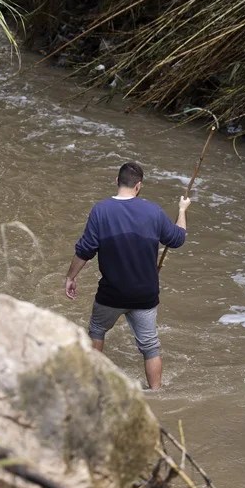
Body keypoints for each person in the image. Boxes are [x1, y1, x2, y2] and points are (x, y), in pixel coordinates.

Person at [65, 162, 191, 390]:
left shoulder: (101, 210)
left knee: (97, 331)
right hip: (145, 294)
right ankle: (156, 393)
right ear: (139, 186)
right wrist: (182, 210)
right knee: (150, 347)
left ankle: (93, 385)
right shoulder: (153, 211)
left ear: (117, 182)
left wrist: (70, 277)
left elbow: (85, 250)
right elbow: (178, 238)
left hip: (111, 294)